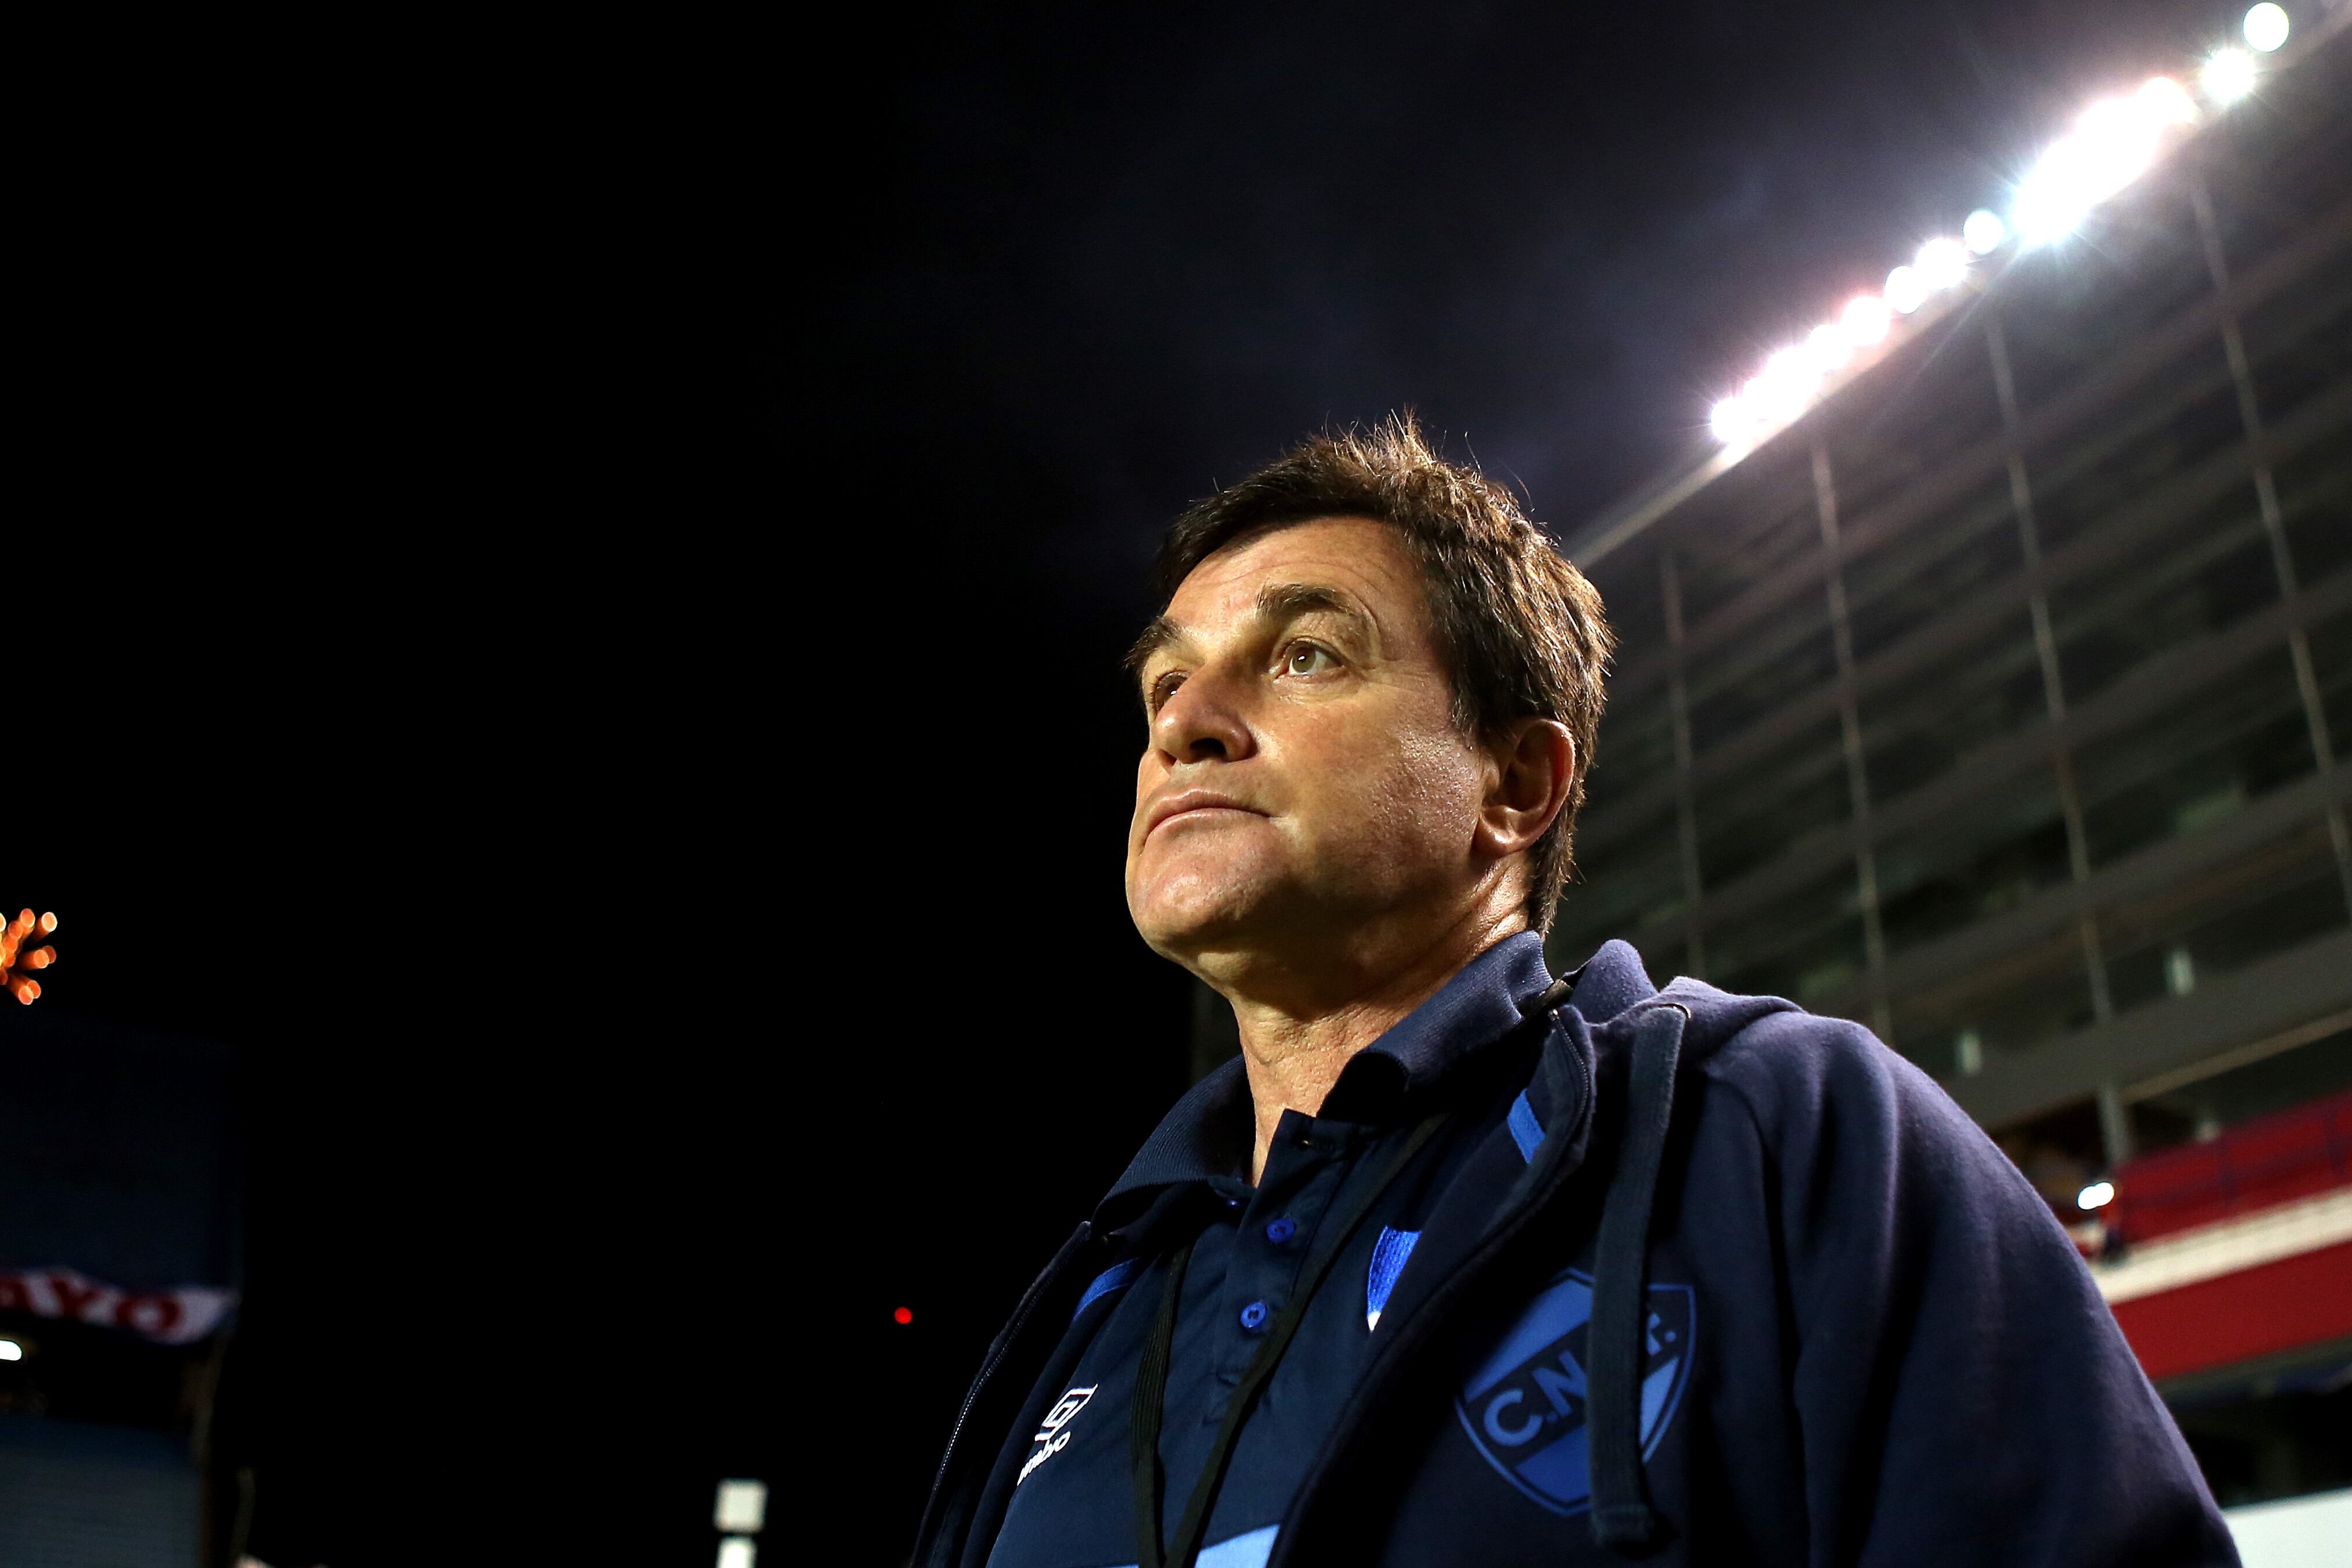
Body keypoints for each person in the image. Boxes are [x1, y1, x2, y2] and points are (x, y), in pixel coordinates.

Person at [914, 419, 2234, 1568]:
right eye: (1165, 679)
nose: (1184, 719)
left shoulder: (1785, 1132)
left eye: (1308, 651)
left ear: (1514, 785)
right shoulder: (1090, 1299)